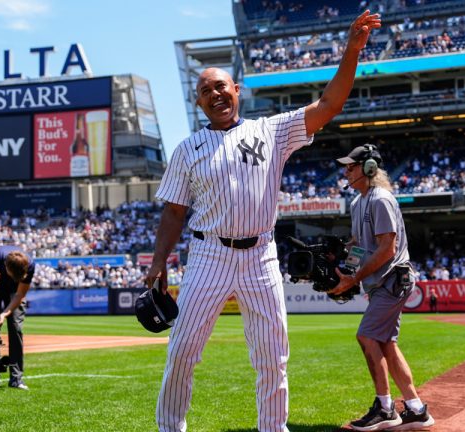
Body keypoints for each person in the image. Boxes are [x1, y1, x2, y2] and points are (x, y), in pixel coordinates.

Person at [144, 10, 381, 432]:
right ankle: (169, 427)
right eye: (205, 91)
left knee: (273, 355)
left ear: (237, 90)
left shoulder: (271, 131)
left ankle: (273, 428)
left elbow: (330, 105)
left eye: (221, 86)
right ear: (198, 102)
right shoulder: (187, 149)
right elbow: (174, 211)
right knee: (182, 351)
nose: (215, 94)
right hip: (208, 255)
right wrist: (159, 260)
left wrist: (351, 51)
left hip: (260, 256)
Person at [328, 144, 434, 431]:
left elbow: (388, 248)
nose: (346, 170)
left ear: (369, 168)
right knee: (386, 344)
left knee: (366, 336)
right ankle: (416, 409)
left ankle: (386, 408)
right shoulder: (357, 202)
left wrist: (354, 277)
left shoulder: (381, 199)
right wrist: (342, 263)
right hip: (380, 282)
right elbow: (361, 247)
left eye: (351, 166)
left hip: (393, 278)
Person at [0, 245, 34, 389]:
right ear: (5, 268)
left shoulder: (29, 265)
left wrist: (4, 314)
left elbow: (20, 295)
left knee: (16, 327)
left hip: (14, 294)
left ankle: (16, 378)